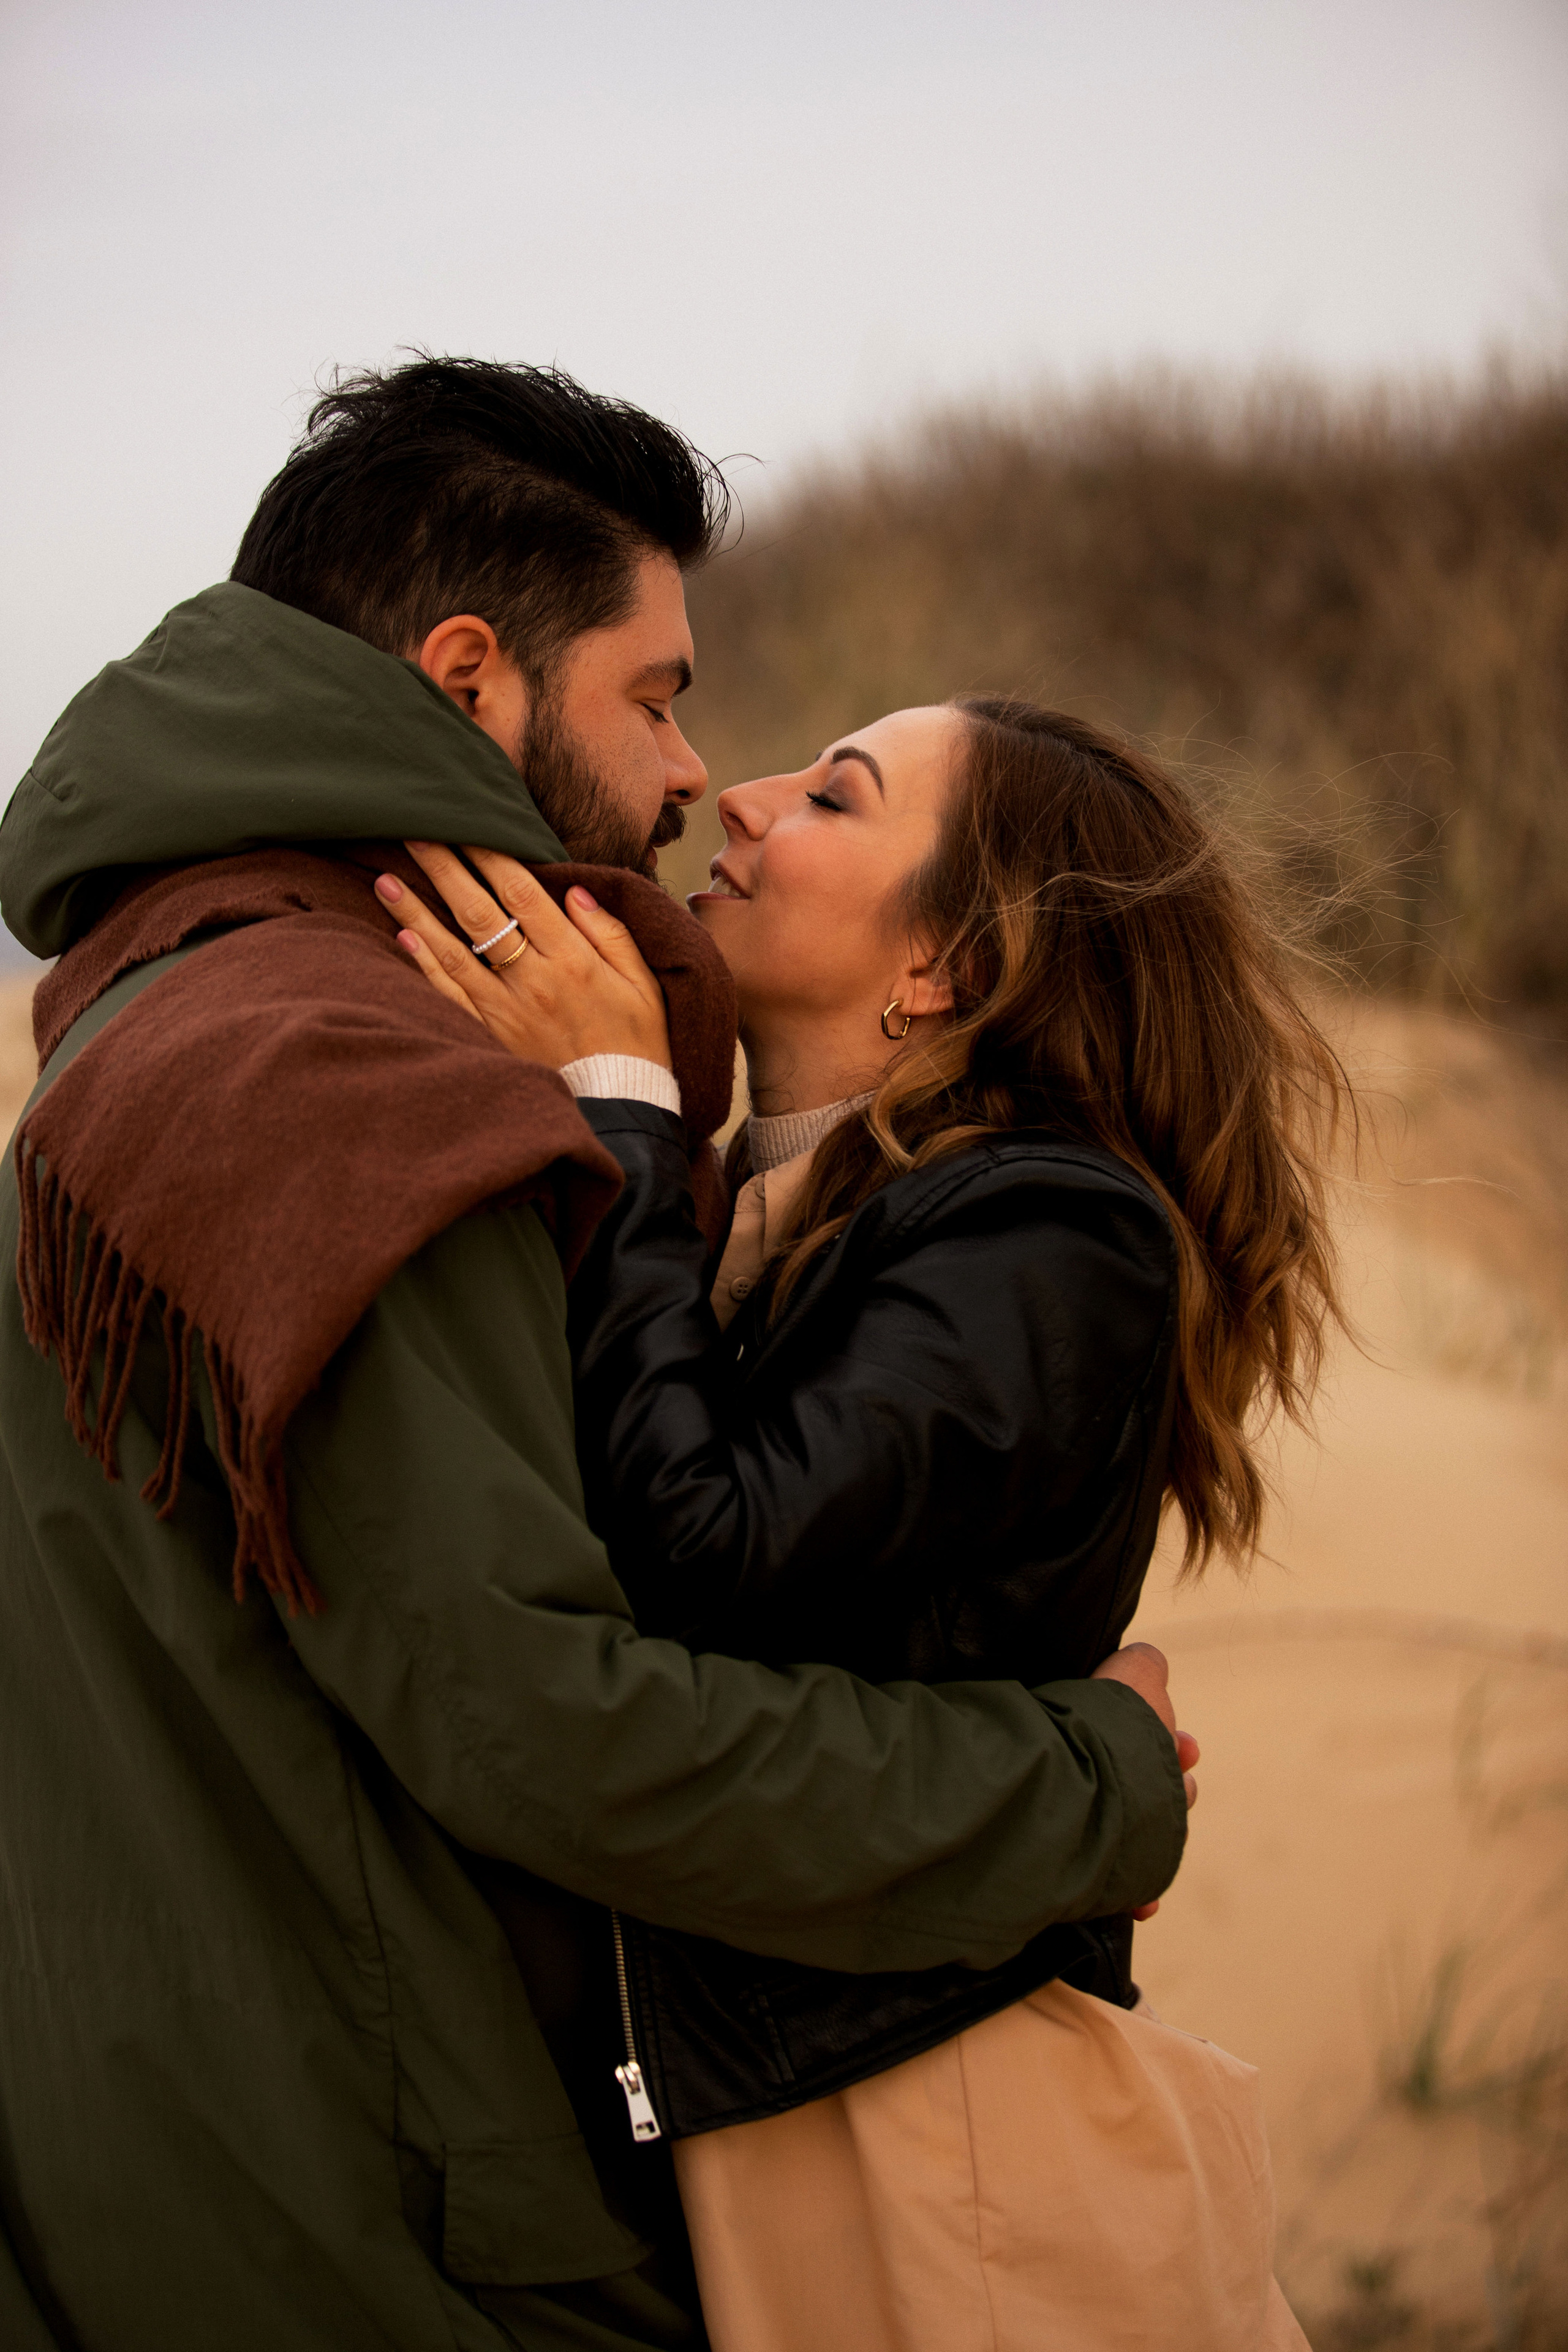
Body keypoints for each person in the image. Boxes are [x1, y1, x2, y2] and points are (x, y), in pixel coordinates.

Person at [0, 359, 1193, 2352]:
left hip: (148, 2163)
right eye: (656, 698)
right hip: (369, 2235)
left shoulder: (163, 1002)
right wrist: (1094, 1784)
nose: (693, 779)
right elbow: (551, 1732)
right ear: (471, 678)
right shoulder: (355, 1077)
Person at [387, 692, 1340, 2348]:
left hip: (959, 2164)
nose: (742, 801)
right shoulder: (785, 1211)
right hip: (811, 2130)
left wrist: (621, 1106)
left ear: (946, 966)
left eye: (835, 797)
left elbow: (711, 1552)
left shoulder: (1055, 1230)